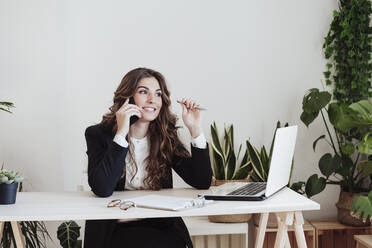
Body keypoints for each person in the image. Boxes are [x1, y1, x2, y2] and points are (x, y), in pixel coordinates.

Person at [83, 67, 212, 248]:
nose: (153, 100)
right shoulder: (98, 134)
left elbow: (201, 181)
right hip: (116, 229)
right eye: (144, 92)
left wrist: (196, 130)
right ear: (127, 98)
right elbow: (102, 188)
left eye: (158, 94)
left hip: (161, 226)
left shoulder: (164, 136)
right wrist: (121, 133)